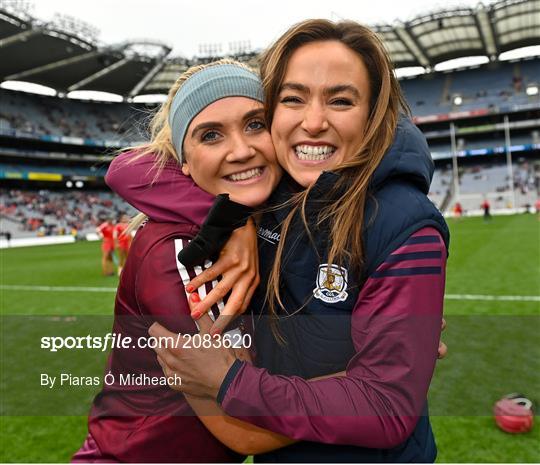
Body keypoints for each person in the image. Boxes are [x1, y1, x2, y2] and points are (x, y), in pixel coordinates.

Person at [108, 19, 449, 463]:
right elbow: (125, 168)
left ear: (372, 113)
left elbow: (388, 405)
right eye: (293, 99)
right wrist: (233, 221)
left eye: (341, 100)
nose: (313, 121)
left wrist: (231, 382)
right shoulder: (270, 194)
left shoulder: (404, 223)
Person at [73, 59, 296, 463]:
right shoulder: (181, 252)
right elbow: (243, 429)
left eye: (255, 124)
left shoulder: (273, 215)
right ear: (184, 164)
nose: (242, 150)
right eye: (211, 135)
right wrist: (380, 380)